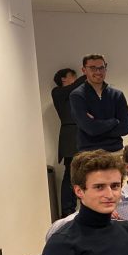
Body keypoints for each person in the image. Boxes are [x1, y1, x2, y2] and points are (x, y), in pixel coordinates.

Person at [69, 54, 128, 153]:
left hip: (116, 151)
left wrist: (97, 126)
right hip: (90, 153)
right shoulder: (77, 95)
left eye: (101, 68)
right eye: (93, 68)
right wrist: (114, 121)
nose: (98, 72)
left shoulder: (117, 95)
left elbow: (126, 128)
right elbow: (90, 129)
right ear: (84, 70)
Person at [52, 67, 87, 217]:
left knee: (80, 173)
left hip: (79, 136)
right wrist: (88, 73)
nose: (75, 79)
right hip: (70, 137)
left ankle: (77, 208)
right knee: (70, 174)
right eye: (72, 76)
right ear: (63, 79)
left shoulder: (74, 95)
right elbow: (75, 86)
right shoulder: (58, 92)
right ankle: (67, 210)